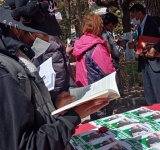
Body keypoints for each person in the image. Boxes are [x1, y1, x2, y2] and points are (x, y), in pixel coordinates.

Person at [0, 1, 110, 149]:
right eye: (43, 34)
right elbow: (26, 145)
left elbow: (30, 116)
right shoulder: (5, 74)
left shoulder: (20, 59)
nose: (47, 40)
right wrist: (73, 117)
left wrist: (54, 105)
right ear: (17, 30)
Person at [73, 14, 115, 121]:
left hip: (85, 89)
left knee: (95, 121)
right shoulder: (96, 46)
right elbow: (107, 70)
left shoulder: (80, 44)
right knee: (104, 122)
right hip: (99, 91)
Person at [128, 3, 160, 105]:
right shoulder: (139, 28)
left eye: (133, 16)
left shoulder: (154, 21)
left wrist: (156, 48)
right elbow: (144, 44)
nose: (132, 19)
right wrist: (135, 46)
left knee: (158, 92)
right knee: (149, 95)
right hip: (144, 64)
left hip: (156, 64)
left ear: (139, 14)